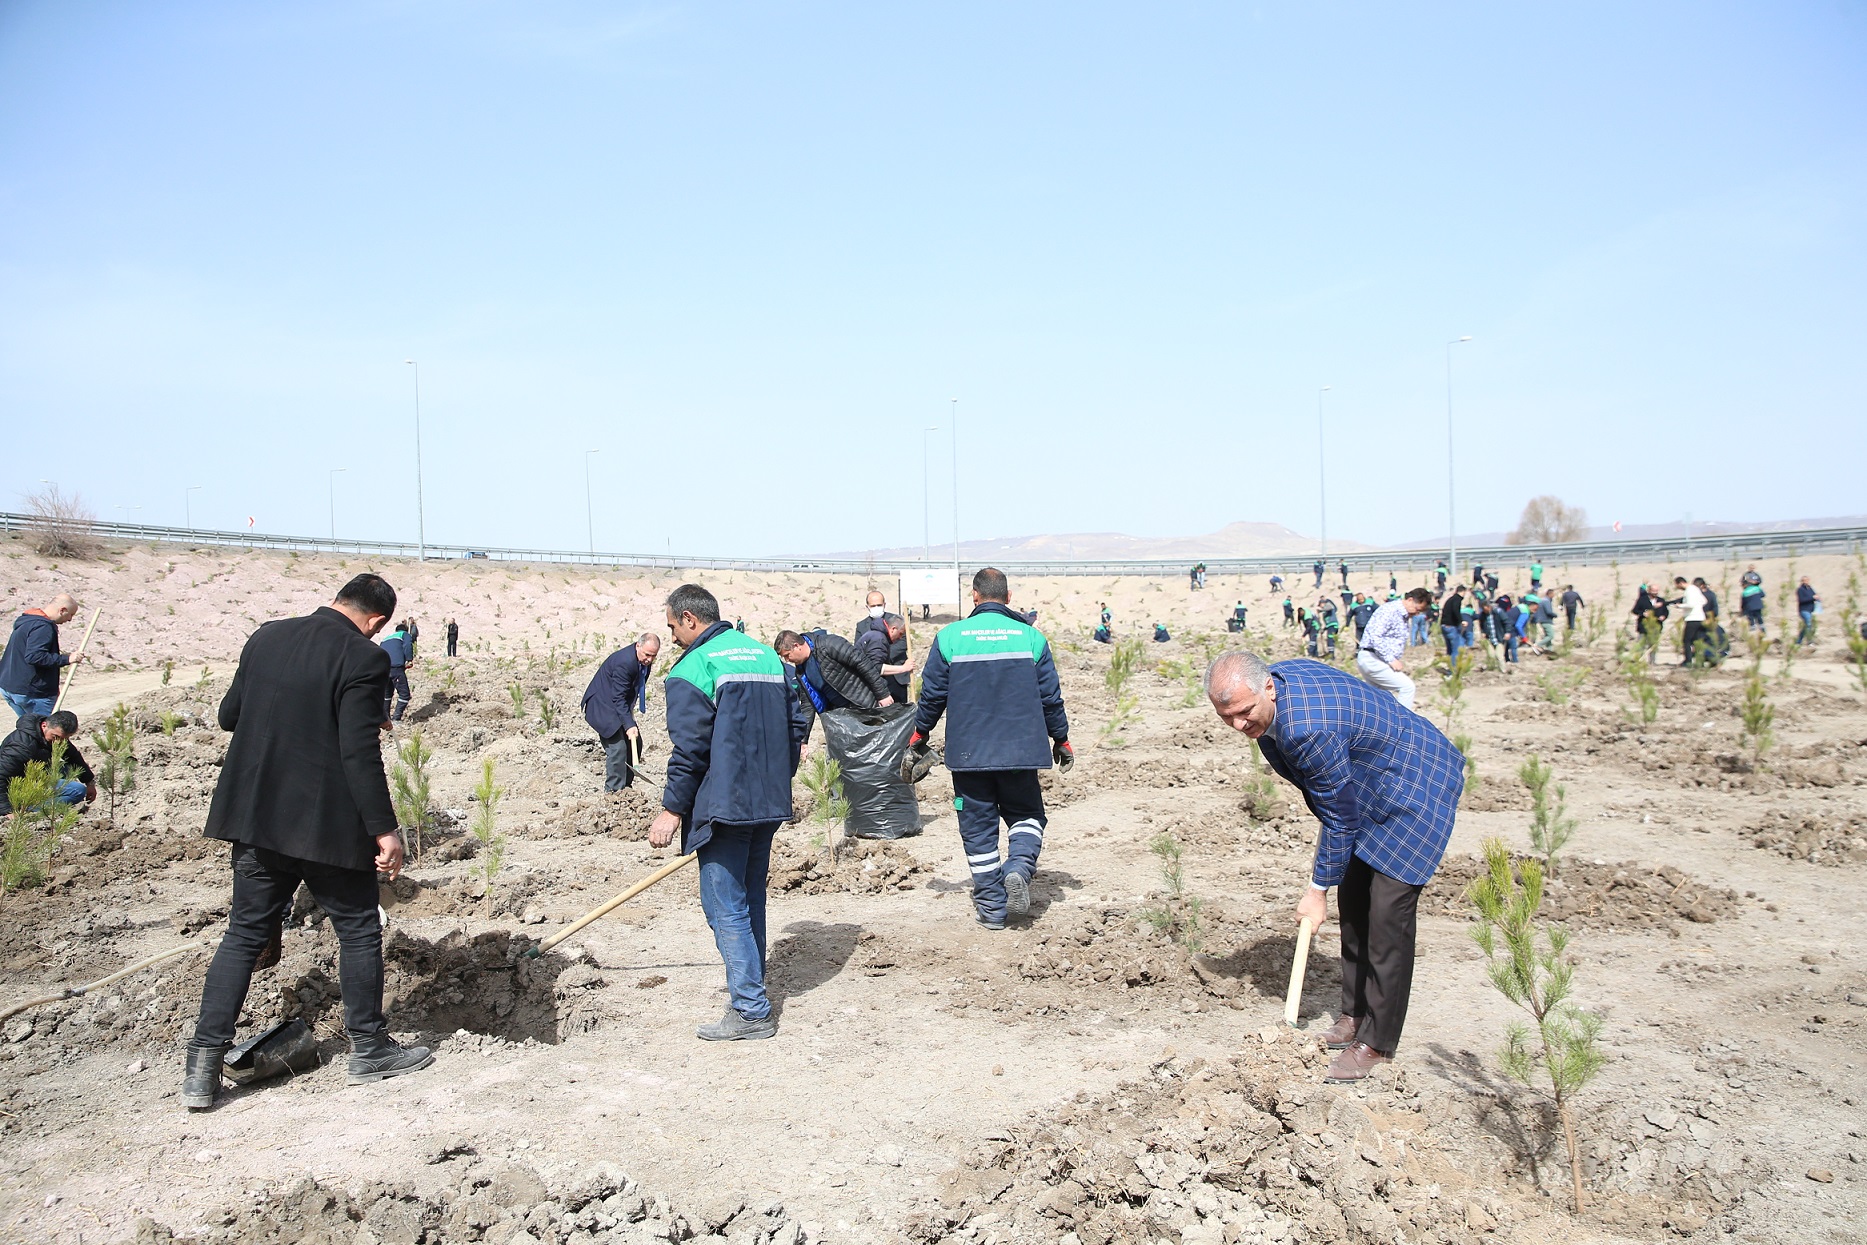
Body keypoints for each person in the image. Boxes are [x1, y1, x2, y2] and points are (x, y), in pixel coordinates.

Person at [183, 573, 432, 1111]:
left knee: (244, 934)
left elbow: (230, 716)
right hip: (325, 824)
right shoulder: (364, 659)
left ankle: (202, 1067)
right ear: (377, 623)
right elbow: (357, 754)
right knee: (360, 929)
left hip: (255, 817)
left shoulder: (266, 636)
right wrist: (385, 829)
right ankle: (369, 1049)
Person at [1205, 651, 1461, 1082]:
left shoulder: (1309, 729)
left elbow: (1339, 817)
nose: (1238, 726)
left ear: (1268, 687)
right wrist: (1330, 880)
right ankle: (1354, 1015)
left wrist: (1316, 889)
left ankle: (1377, 1041)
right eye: (1225, 716)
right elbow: (1335, 806)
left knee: (1386, 915)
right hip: (1368, 781)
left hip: (1415, 782)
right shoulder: (1278, 687)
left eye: (1245, 713)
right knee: (1356, 899)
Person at [646, 584, 807, 1041]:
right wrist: (779, 776)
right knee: (750, 898)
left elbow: (690, 749)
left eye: (674, 626)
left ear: (690, 619)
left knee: (725, 906)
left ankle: (752, 1011)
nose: (673, 636)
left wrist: (671, 810)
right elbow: (798, 724)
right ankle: (750, 995)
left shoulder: (695, 667)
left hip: (725, 806)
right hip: (769, 802)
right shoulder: (766, 657)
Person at [903, 568, 1070, 930]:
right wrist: (1061, 739)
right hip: (1021, 753)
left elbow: (932, 696)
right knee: (1027, 816)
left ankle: (993, 910)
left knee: (977, 829)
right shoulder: (1031, 638)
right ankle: (1019, 868)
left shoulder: (949, 637)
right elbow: (1050, 699)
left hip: (968, 755)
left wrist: (919, 735)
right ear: (1008, 598)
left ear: (974, 597)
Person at [582, 632, 661, 791]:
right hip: (602, 705)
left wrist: (629, 718)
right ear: (638, 645)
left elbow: (630, 691)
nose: (650, 660)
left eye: (653, 656)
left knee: (635, 743)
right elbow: (618, 697)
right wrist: (629, 724)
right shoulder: (625, 662)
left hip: (618, 704)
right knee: (618, 749)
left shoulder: (643, 661)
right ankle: (614, 792)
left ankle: (626, 788)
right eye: (647, 655)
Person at [775, 628, 895, 728]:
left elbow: (863, 663)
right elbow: (808, 705)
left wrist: (882, 694)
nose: (787, 660)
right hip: (843, 717)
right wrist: (804, 740)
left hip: (866, 704)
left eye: (787, 655)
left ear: (796, 646)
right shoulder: (801, 672)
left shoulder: (829, 644)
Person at [1, 594, 83, 719]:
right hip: (32, 692)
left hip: (10, 688)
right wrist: (67, 659)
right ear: (62, 610)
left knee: (30, 730)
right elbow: (35, 656)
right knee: (46, 733)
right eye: (70, 614)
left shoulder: (27, 622)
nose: (70, 619)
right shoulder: (43, 627)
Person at [1356, 589, 1433, 711]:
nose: (1417, 614)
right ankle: (1401, 724)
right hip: (1373, 659)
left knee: (1380, 701)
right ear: (1410, 600)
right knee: (1407, 687)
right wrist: (1391, 659)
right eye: (1417, 609)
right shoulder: (1390, 610)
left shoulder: (1401, 615)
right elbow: (1375, 636)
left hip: (1376, 659)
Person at [0, 709, 95, 805]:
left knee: (66, 769)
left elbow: (74, 757)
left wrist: (89, 782)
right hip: (15, 786)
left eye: (65, 739)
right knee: (78, 791)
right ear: (44, 726)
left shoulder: (56, 737)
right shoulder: (21, 746)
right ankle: (29, 807)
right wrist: (6, 809)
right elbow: (1, 776)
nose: (59, 743)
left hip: (35, 773)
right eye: (55, 737)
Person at [856, 613, 916, 704]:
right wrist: (903, 668)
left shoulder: (875, 636)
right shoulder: (878, 639)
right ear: (893, 629)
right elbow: (875, 668)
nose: (900, 638)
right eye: (900, 634)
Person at [380, 624, 412, 722]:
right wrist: (409, 659)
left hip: (384, 668)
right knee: (405, 694)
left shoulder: (386, 638)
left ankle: (385, 719)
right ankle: (396, 719)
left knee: (387, 694)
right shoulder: (404, 635)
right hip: (396, 668)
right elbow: (407, 645)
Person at [1674, 576, 1707, 667]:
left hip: (1692, 618)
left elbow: (1691, 604)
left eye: (1677, 585)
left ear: (1680, 583)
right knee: (1697, 640)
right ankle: (1700, 662)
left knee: (1687, 641)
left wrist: (1680, 606)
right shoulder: (1696, 589)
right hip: (1700, 618)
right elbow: (1704, 601)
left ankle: (1688, 661)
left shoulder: (1689, 590)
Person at [1439, 585, 1466, 668]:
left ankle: (1450, 667)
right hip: (1451, 627)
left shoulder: (1450, 599)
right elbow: (1455, 610)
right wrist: (1461, 621)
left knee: (1450, 650)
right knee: (1456, 649)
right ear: (1463, 592)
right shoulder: (1457, 599)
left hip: (1444, 626)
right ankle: (1453, 670)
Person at [1740, 566, 1765, 633]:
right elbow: (1763, 595)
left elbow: (1743, 603)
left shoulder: (1745, 592)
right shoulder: (1746, 575)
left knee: (1751, 618)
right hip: (1758, 605)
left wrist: (1743, 610)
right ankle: (1762, 630)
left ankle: (1753, 628)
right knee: (1759, 617)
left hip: (1750, 607)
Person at [1796, 577, 1820, 646]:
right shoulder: (1800, 590)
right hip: (1804, 610)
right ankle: (1809, 641)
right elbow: (1801, 600)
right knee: (1808, 624)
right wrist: (1812, 598)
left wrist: (1817, 598)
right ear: (1802, 581)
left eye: (1807, 580)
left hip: (1810, 610)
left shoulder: (1810, 589)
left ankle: (1799, 641)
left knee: (1806, 625)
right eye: (1804, 580)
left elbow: (1814, 595)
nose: (1806, 582)